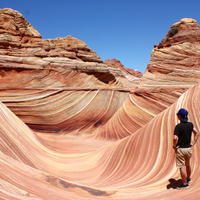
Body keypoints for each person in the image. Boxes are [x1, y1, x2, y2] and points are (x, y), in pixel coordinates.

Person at [173, 108, 199, 189]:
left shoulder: (178, 127)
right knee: (188, 164)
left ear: (179, 117)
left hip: (181, 149)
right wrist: (193, 143)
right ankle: (188, 178)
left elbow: (174, 138)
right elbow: (197, 133)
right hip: (188, 149)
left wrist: (174, 146)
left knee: (182, 167)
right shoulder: (190, 125)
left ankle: (185, 184)